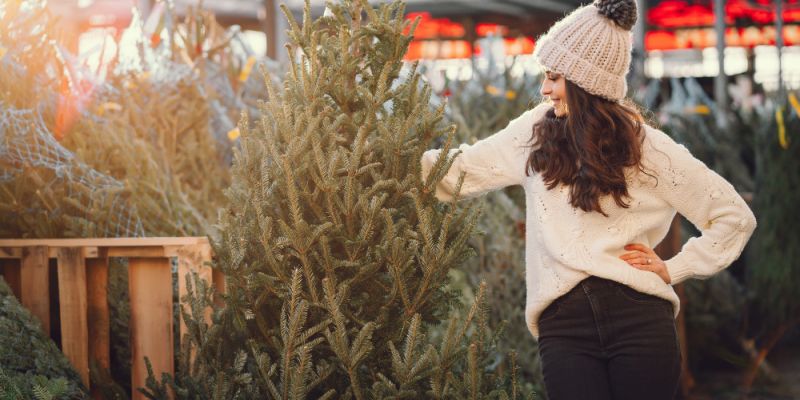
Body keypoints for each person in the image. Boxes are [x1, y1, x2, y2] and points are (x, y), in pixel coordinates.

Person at [419, 0, 758, 399]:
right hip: (565, 330)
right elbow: (462, 168)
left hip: (640, 320)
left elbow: (733, 216)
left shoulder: (649, 149)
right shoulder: (534, 133)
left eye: (555, 77)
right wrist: (387, 162)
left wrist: (674, 267)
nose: (544, 89)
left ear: (585, 82)